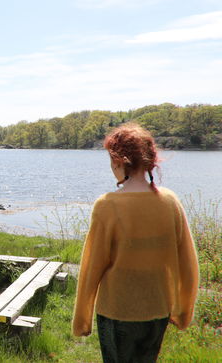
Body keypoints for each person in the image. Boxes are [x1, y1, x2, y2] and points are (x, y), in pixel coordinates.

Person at [72, 123, 199, 363]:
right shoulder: (170, 201)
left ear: (119, 161)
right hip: (159, 309)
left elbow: (92, 267)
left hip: (117, 311)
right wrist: (183, 309)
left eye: (112, 160)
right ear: (150, 161)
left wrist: (82, 318)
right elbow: (187, 261)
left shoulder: (107, 205)